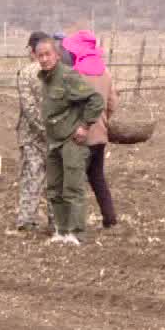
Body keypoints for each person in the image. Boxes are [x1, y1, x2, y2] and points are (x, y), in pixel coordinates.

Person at [34, 35, 106, 246]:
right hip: (53, 141)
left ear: (57, 55)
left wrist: (84, 126)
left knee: (73, 188)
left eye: (48, 54)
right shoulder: (45, 79)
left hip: (71, 141)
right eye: (41, 55)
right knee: (54, 188)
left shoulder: (68, 76)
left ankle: (76, 233)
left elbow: (96, 100)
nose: (45, 59)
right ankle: (61, 230)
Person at [62, 31, 119, 227]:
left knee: (74, 181)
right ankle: (110, 218)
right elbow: (112, 104)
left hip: (80, 136)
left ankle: (75, 223)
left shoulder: (75, 74)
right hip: (100, 135)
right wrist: (102, 121)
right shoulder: (105, 72)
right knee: (97, 178)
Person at [12, 32, 49, 233]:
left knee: (31, 177)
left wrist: (40, 129)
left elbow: (28, 107)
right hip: (55, 135)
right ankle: (55, 220)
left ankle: (27, 219)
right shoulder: (60, 71)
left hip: (31, 136)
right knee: (54, 180)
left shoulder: (26, 73)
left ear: (32, 50)